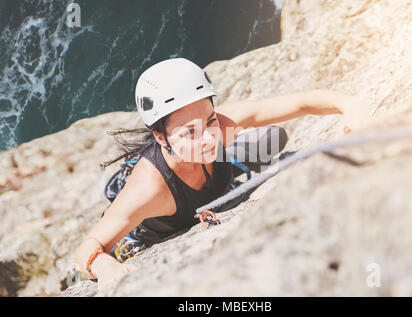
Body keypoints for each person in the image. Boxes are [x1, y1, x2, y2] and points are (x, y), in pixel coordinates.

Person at [73, 58, 372, 293]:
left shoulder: (219, 129)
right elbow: (88, 248)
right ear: (161, 138)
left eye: (210, 120)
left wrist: (350, 105)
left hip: (212, 178)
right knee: (258, 146)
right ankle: (122, 180)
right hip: (154, 225)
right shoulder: (149, 190)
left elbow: (302, 103)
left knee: (274, 138)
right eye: (189, 132)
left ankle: (233, 169)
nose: (207, 138)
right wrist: (104, 267)